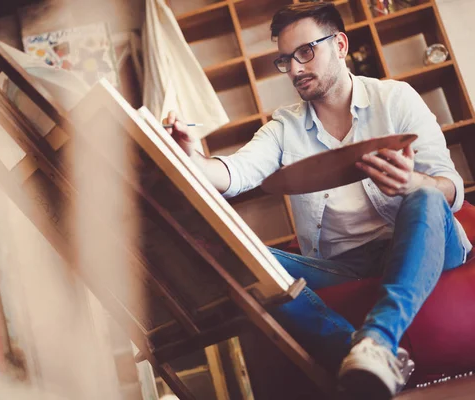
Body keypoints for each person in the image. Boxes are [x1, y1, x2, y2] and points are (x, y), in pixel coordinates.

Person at [163, 3, 472, 399]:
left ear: (340, 45)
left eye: (305, 52)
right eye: (284, 60)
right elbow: (233, 174)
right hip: (343, 266)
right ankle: (359, 353)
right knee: (235, 254)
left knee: (426, 193)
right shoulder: (283, 127)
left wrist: (413, 181)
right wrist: (191, 158)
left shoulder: (395, 98)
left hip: (422, 245)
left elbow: (451, 187)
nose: (294, 69)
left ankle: (377, 340)